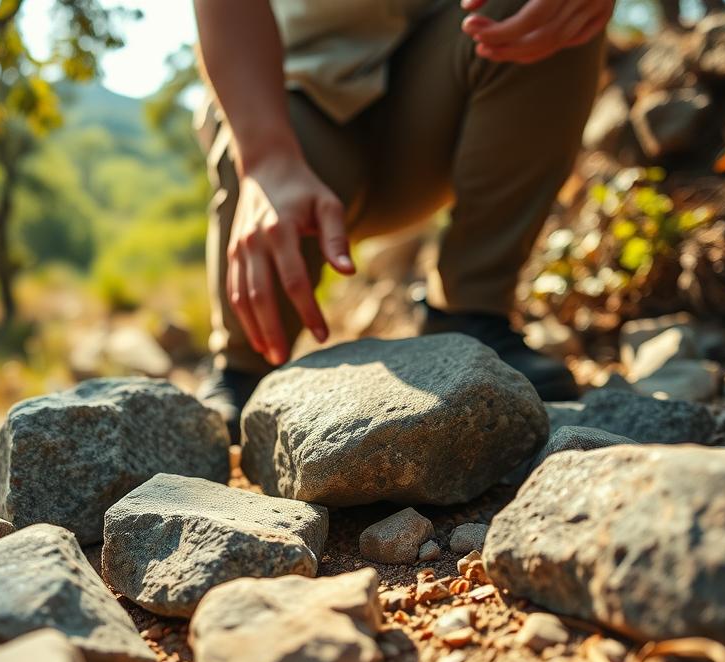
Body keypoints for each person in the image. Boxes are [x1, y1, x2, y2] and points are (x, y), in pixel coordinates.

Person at [193, 0, 612, 440]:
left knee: (532, 9)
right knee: (251, 351)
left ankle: (472, 310)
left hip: (436, 99)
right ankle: (243, 365)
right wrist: (266, 158)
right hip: (288, 101)